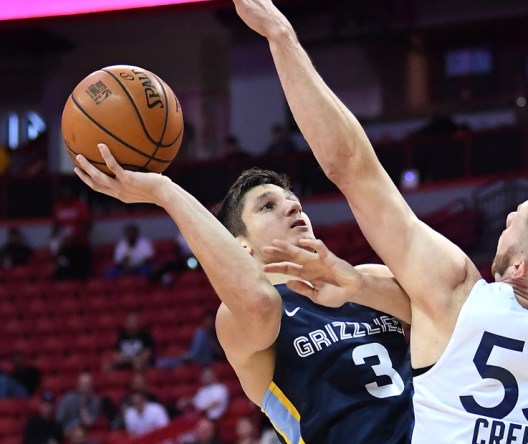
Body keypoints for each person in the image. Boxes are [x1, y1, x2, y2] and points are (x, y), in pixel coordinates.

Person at [240, 0, 528, 442]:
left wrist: (281, 36)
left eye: (515, 221)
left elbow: (349, 165)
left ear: (519, 268)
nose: (507, 214)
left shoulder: (456, 301)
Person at [73, 161, 412, 440]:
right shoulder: (236, 319)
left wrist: (355, 285)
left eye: (293, 200)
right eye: (268, 206)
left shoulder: (370, 276)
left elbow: (449, 310)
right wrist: (165, 191)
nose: (293, 205)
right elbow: (261, 304)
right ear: (241, 245)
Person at [51, 184, 92, 280]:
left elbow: (88, 224)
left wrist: (76, 237)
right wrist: (55, 242)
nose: (66, 194)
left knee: (81, 274)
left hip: (81, 245)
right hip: (65, 247)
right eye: (64, 192)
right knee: (63, 272)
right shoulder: (57, 207)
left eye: (68, 191)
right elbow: (55, 227)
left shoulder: (80, 206)